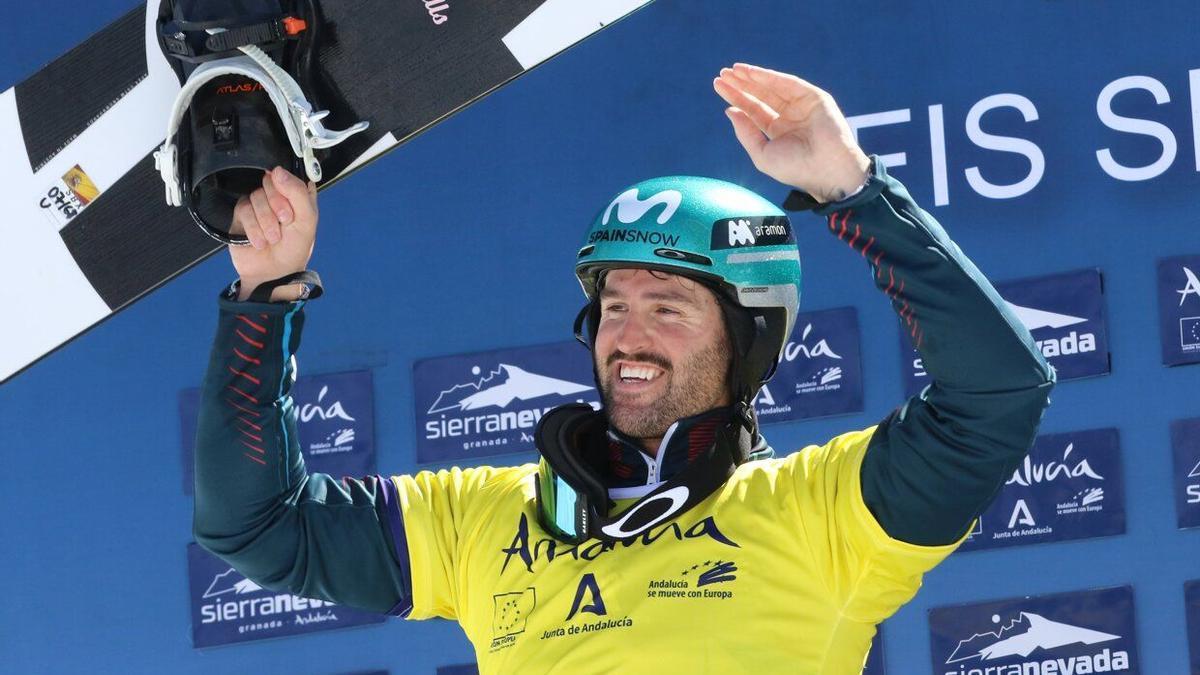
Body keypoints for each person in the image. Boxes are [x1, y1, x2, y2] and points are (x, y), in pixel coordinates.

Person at [194, 63, 1055, 673]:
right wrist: (267, 294)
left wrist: (849, 186)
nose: (628, 336)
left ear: (749, 338)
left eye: (668, 307)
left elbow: (996, 393)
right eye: (613, 306)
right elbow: (258, 528)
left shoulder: (823, 515)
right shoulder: (485, 518)